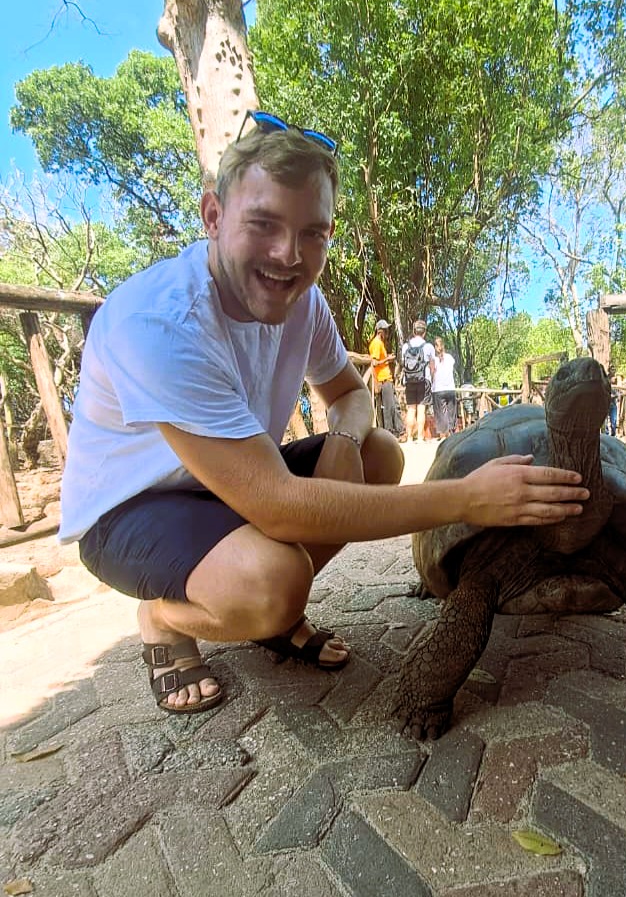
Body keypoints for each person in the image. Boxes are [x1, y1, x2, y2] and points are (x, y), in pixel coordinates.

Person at [57, 112, 590, 714]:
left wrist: (342, 432)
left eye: (314, 232)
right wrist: (468, 499)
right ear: (213, 216)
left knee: (379, 452)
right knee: (274, 581)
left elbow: (351, 393)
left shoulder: (302, 302)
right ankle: (170, 618)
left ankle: (265, 608)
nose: (289, 255)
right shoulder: (162, 322)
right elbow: (278, 505)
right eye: (264, 224)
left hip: (225, 484)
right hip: (131, 508)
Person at [368, 318, 404, 439]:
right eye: (386, 331)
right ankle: (390, 432)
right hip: (383, 379)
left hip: (388, 378)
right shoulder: (376, 344)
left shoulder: (380, 344)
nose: (387, 333)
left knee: (394, 405)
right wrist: (387, 359)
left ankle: (399, 430)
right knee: (389, 407)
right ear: (380, 331)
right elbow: (374, 362)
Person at [401, 320, 435, 442]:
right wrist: (432, 380)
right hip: (423, 380)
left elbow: (403, 364)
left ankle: (410, 437)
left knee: (411, 409)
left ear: (414, 331)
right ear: (424, 332)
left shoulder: (406, 346)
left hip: (409, 380)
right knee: (421, 409)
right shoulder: (429, 347)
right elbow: (432, 367)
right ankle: (420, 437)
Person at [430, 336, 457, 439]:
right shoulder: (450, 358)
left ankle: (442, 435)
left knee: (440, 413)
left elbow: (432, 374)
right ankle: (451, 433)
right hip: (450, 388)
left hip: (438, 389)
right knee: (451, 412)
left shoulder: (433, 359)